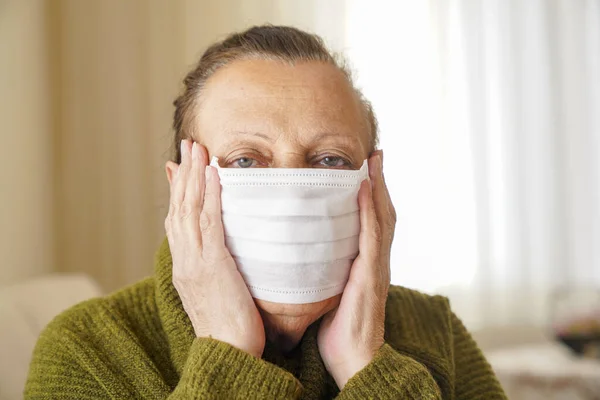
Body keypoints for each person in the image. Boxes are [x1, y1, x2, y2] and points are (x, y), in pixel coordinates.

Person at [25, 25, 506, 399]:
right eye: (246, 160)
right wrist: (228, 355)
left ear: (373, 184)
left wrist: (367, 363)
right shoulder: (88, 348)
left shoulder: (431, 327)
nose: (292, 194)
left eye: (329, 159)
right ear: (183, 191)